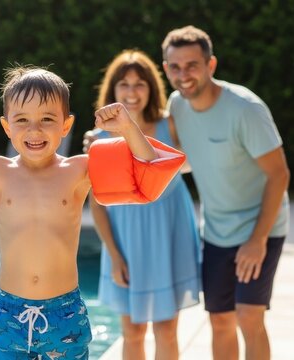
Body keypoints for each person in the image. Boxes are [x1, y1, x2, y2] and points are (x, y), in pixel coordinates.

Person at [0, 66, 185, 359]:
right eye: (22, 120)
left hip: (64, 312)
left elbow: (149, 169)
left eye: (47, 119)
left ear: (66, 126)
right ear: (6, 126)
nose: (34, 130)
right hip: (8, 312)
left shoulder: (80, 169)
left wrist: (127, 128)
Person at [161, 26, 290, 360]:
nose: (183, 75)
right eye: (175, 67)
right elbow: (176, 158)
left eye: (192, 65)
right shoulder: (177, 106)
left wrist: (257, 240)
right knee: (219, 320)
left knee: (249, 316)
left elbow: (279, 174)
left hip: (261, 227)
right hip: (217, 231)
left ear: (211, 65)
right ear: (165, 69)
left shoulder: (246, 109)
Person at [83, 49, 201, 359]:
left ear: (151, 88)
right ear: (113, 89)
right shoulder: (97, 139)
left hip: (170, 234)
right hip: (125, 240)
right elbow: (97, 204)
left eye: (140, 84)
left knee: (166, 329)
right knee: (132, 332)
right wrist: (113, 253)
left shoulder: (171, 125)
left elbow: (194, 162)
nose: (132, 92)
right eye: (124, 84)